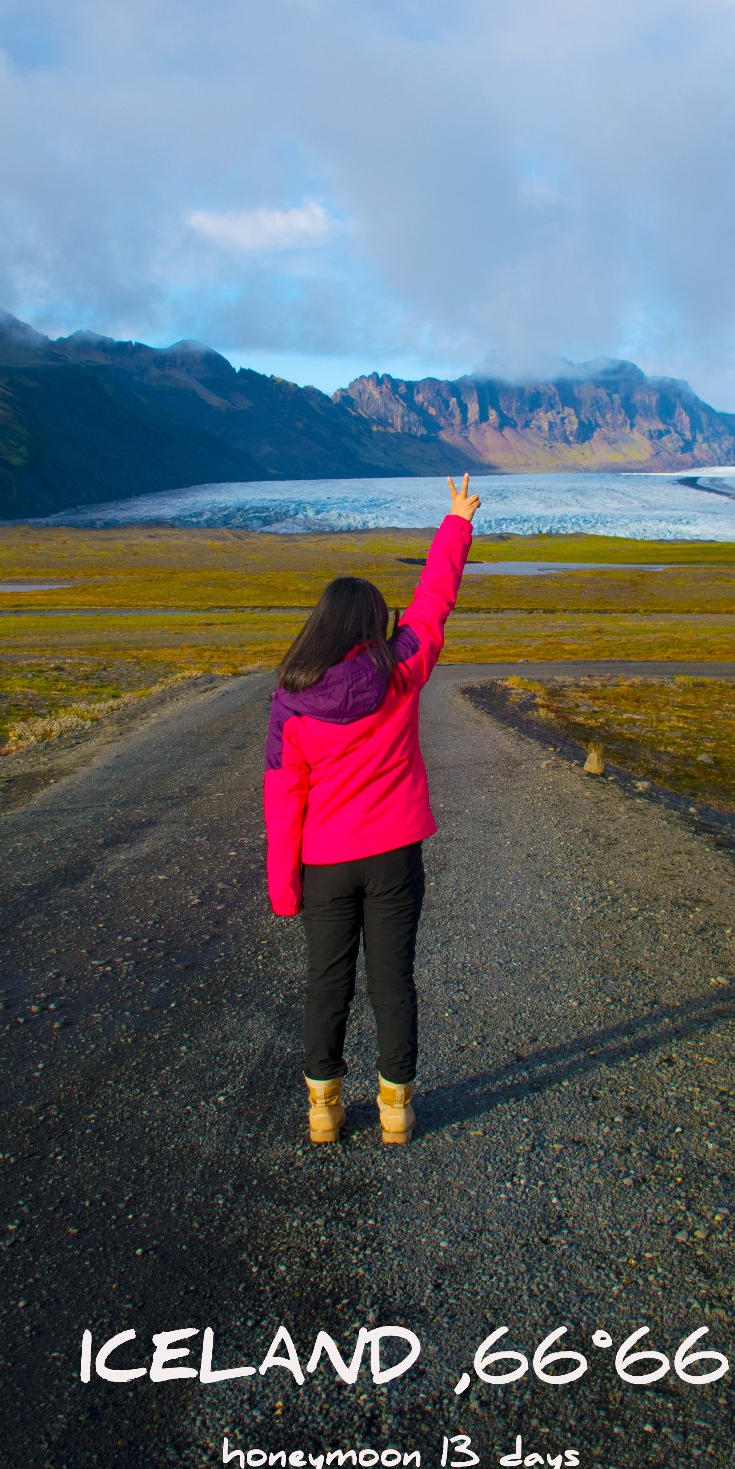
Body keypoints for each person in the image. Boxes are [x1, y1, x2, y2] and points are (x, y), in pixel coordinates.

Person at [263, 475, 482, 1145]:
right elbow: (432, 604)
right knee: (393, 980)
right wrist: (456, 523)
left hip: (325, 862)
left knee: (326, 984)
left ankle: (323, 1110)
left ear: (320, 626)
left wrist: (283, 887)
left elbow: (282, 798)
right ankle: (394, 1110)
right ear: (371, 624)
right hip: (394, 854)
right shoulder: (402, 669)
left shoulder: (291, 699)